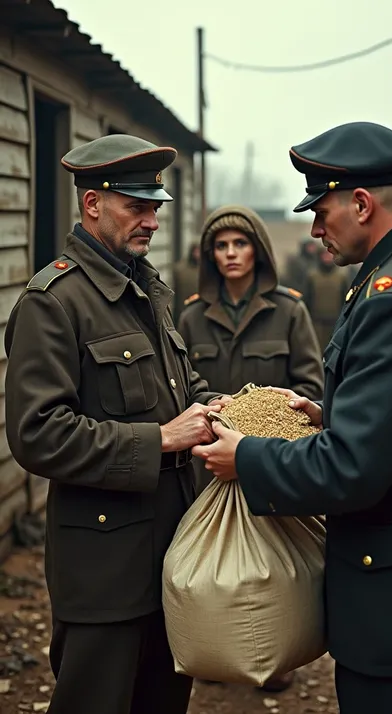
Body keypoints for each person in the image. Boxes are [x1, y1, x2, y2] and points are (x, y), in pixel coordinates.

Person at [192, 121, 392, 714]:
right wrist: (331, 413)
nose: (316, 229)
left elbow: (353, 469)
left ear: (363, 204)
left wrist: (245, 456)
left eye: (321, 212)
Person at [4, 134, 229, 714]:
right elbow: (38, 433)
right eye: (138, 206)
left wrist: (233, 409)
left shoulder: (146, 288)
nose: (152, 221)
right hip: (104, 569)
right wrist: (160, 439)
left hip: (172, 554)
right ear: (92, 204)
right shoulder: (53, 302)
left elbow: (177, 388)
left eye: (156, 207)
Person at [178, 204, 324, 692]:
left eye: (240, 244)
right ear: (209, 254)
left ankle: (275, 654)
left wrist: (272, 430)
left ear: (258, 251)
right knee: (218, 559)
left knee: (271, 559)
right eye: (221, 246)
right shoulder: (193, 314)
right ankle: (216, 646)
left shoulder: (289, 309)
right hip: (211, 460)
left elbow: (308, 384)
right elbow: (187, 387)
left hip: (269, 459)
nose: (230, 254)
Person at [305, 244, 352, 351]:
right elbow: (308, 299)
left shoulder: (341, 277)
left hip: (335, 323)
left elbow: (346, 300)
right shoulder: (312, 276)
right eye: (324, 255)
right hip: (316, 323)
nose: (327, 257)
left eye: (329, 255)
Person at [282, 236, 320, 302]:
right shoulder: (296, 262)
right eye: (310, 246)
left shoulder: (317, 261)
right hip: (299, 293)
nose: (312, 249)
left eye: (313, 246)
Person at [172, 241, 200, 322]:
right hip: (183, 307)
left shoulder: (205, 270)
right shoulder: (180, 270)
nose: (197, 254)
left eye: (199, 251)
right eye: (195, 251)